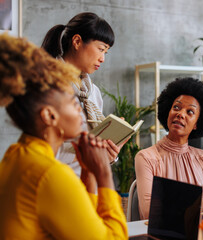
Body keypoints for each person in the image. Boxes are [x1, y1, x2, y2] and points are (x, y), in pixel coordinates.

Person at [0, 34, 127, 239]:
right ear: (49, 116)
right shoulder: (50, 175)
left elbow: (82, 221)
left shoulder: (15, 155)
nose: (79, 109)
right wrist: (103, 171)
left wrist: (88, 173)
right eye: (72, 102)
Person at [135, 77, 203, 220]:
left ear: (197, 123)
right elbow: (149, 211)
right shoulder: (146, 157)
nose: (180, 114)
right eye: (176, 107)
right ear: (168, 112)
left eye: (190, 112)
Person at [41, 12, 121, 176]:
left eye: (106, 52)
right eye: (100, 49)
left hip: (88, 184)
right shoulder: (48, 84)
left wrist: (108, 155)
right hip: (55, 180)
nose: (102, 59)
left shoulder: (93, 93)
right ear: (77, 41)